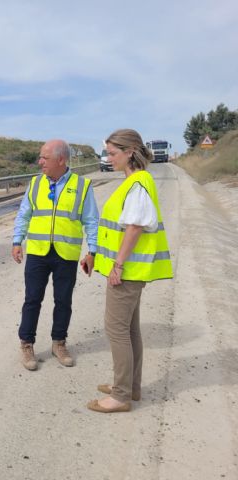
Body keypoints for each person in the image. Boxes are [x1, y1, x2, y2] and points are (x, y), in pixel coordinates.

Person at [87, 129, 172, 413]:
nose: (108, 158)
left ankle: (121, 395)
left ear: (130, 152)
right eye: (108, 153)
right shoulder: (133, 181)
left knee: (116, 331)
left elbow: (134, 227)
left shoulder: (138, 183)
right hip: (131, 271)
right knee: (130, 330)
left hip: (127, 272)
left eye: (113, 153)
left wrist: (118, 265)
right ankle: (130, 387)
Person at [12, 139, 99, 370]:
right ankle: (27, 344)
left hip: (66, 254)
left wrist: (92, 251)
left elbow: (92, 222)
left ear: (61, 160)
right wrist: (17, 241)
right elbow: (24, 214)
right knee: (32, 300)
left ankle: (59, 343)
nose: (40, 162)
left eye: (45, 158)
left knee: (63, 301)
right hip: (38, 252)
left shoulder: (82, 186)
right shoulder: (35, 184)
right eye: (40, 157)